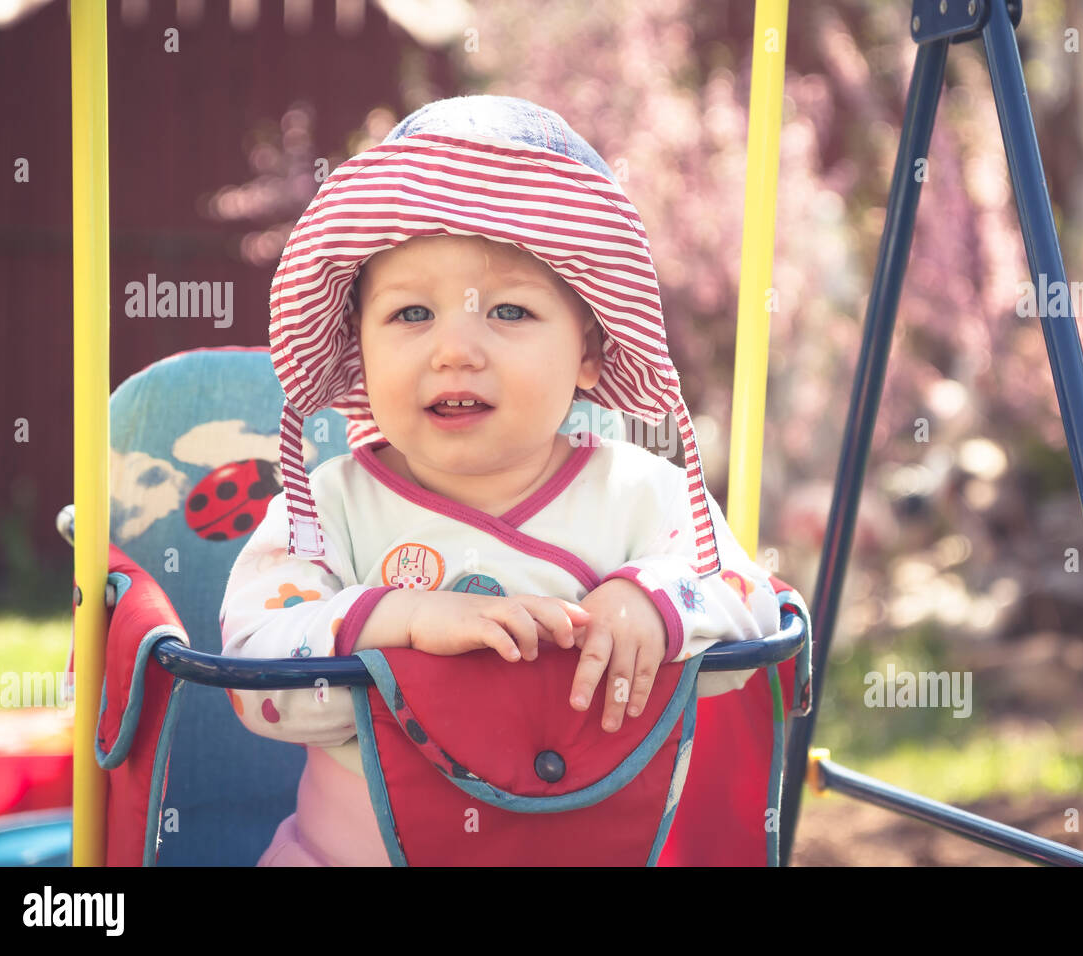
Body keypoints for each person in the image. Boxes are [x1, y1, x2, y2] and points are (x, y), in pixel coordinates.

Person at [219, 94, 782, 866]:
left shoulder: (641, 496)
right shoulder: (326, 510)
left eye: (509, 313)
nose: (455, 349)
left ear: (589, 352)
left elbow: (752, 609)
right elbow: (260, 685)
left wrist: (650, 599)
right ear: (359, 348)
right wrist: (398, 621)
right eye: (412, 314)